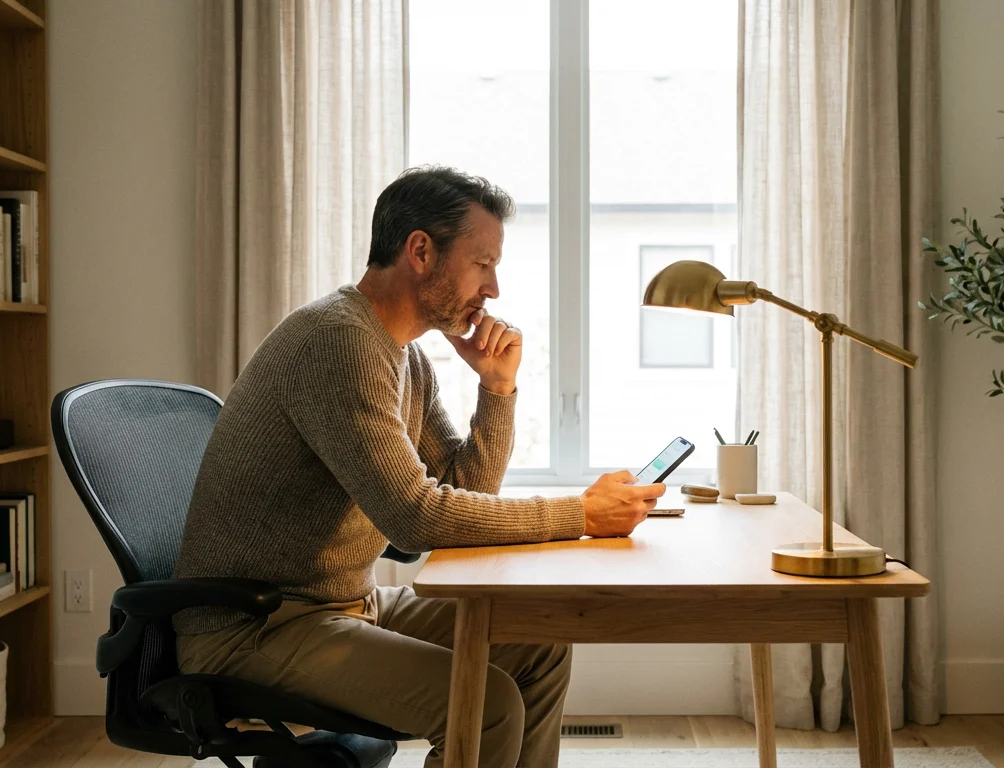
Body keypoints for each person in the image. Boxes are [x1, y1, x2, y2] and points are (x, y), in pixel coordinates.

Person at [173, 165, 666, 768]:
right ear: (422, 251)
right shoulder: (338, 340)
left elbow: (461, 494)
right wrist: (581, 514)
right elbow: (417, 520)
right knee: (485, 704)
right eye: (483, 264)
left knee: (537, 645)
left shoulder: (407, 358)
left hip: (345, 605)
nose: (494, 290)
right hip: (253, 630)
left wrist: (497, 391)